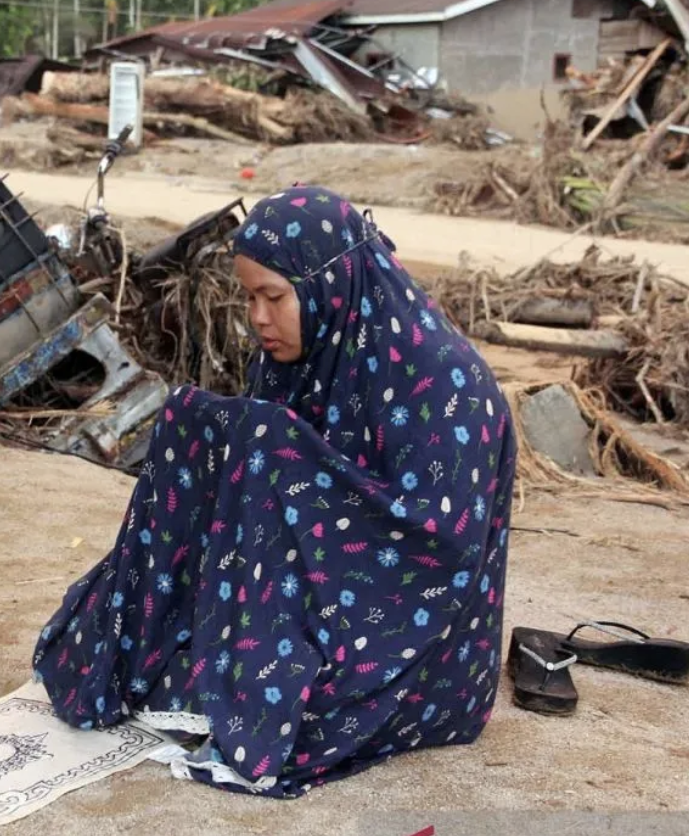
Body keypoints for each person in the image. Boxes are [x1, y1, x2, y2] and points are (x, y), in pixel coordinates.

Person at [32, 186, 517, 797]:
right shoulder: (304, 354)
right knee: (194, 420)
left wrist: (284, 456)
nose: (259, 318)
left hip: (416, 637)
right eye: (249, 297)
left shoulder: (446, 383)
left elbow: (439, 547)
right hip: (308, 587)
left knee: (263, 439)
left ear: (330, 284)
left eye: (275, 297)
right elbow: (256, 500)